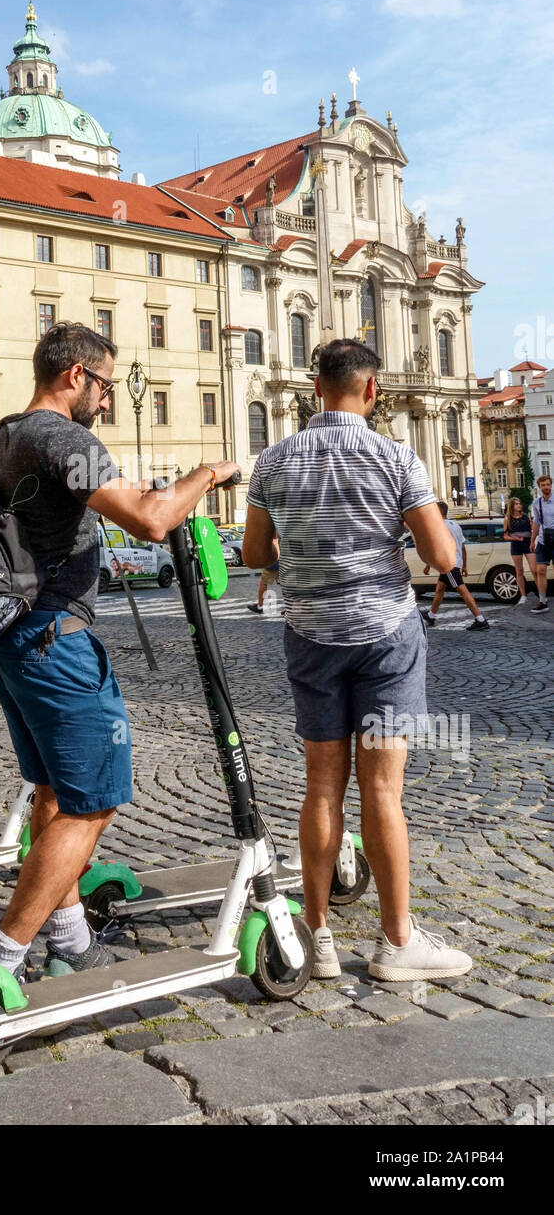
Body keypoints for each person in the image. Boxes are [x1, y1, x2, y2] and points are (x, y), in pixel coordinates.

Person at [0, 321, 238, 979]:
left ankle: (69, 938)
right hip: (55, 642)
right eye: (105, 386)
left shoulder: (4, 434)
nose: (109, 400)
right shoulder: (64, 435)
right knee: (92, 802)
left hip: (10, 641)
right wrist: (209, 472)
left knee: (56, 795)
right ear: (74, 376)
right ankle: (3, 960)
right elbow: (151, 520)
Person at [243, 338, 472, 983]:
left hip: (311, 635)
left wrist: (310, 565)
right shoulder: (397, 457)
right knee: (382, 791)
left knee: (322, 785)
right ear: (372, 391)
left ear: (317, 389)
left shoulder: (275, 460)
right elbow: (445, 560)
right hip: (383, 639)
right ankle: (397, 942)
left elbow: (257, 551)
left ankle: (317, 941)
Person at [421, 501, 490, 630]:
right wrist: (464, 565)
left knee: (463, 591)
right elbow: (463, 548)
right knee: (440, 589)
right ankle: (431, 615)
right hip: (455, 562)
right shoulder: (455, 525)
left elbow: (435, 548)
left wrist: (428, 564)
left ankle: (480, 619)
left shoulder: (438, 526)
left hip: (448, 564)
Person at [503, 496, 535, 605]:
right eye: (516, 504)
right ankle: (523, 595)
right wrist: (514, 538)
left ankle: (541, 593)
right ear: (512, 506)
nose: (519, 505)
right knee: (519, 570)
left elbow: (532, 530)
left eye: (520, 503)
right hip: (516, 544)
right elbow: (505, 536)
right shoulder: (508, 518)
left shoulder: (526, 517)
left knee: (534, 569)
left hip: (527, 543)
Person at [530, 474, 554, 613]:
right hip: (543, 541)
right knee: (540, 570)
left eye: (547, 484)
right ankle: (543, 601)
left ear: (551, 485)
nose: (545, 487)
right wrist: (532, 541)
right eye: (543, 485)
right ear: (539, 487)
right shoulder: (536, 503)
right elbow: (536, 523)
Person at [247, 540, 281, 615]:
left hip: (273, 560)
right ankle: (290, 607)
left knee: (263, 584)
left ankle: (260, 606)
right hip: (281, 559)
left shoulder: (272, 529)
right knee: (286, 585)